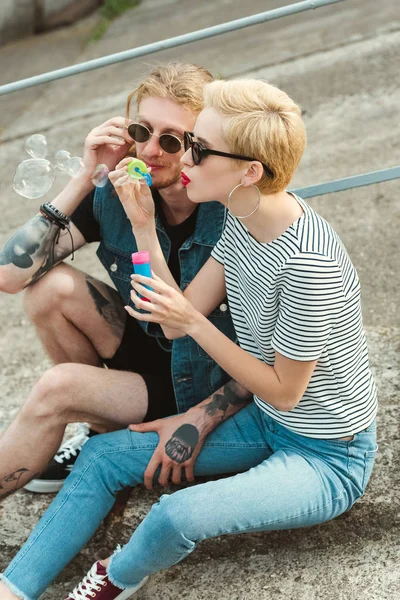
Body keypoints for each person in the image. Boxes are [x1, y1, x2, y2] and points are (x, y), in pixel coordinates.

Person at [0, 78, 378, 600]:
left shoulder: (304, 264)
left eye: (196, 148)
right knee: (103, 456)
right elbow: (172, 318)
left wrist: (195, 339)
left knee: (175, 514)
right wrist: (143, 226)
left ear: (250, 171)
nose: (184, 162)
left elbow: (284, 390)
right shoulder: (246, 219)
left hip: (324, 455)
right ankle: (12, 588)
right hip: (264, 422)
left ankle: (114, 578)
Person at [0, 63, 237, 497]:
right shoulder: (117, 188)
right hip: (145, 354)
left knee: (58, 388)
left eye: (171, 140)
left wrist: (204, 417)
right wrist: (84, 177)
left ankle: (101, 421)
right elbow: (9, 275)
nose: (150, 150)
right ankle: (103, 428)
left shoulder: (229, 213)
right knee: (46, 289)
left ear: (202, 145)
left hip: (199, 379)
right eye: (141, 131)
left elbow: (252, 343)